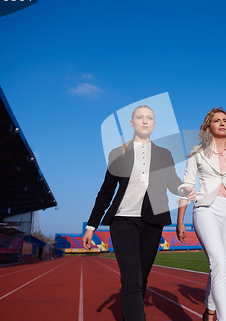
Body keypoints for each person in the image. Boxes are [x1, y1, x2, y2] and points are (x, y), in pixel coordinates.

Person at [83, 105, 195, 321]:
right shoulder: (118, 153)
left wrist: (184, 188)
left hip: (153, 222)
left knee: (141, 279)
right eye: (140, 117)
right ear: (132, 123)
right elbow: (106, 192)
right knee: (132, 279)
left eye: (149, 118)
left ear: (154, 124)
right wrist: (91, 226)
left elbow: (173, 183)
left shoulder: (164, 154)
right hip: (123, 221)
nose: (145, 121)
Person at [176, 108, 226, 321]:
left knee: (221, 265)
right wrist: (180, 221)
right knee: (219, 262)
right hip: (205, 210)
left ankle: (210, 310)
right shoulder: (197, 152)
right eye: (217, 121)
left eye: (225, 121)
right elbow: (186, 185)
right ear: (208, 126)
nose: (222, 124)